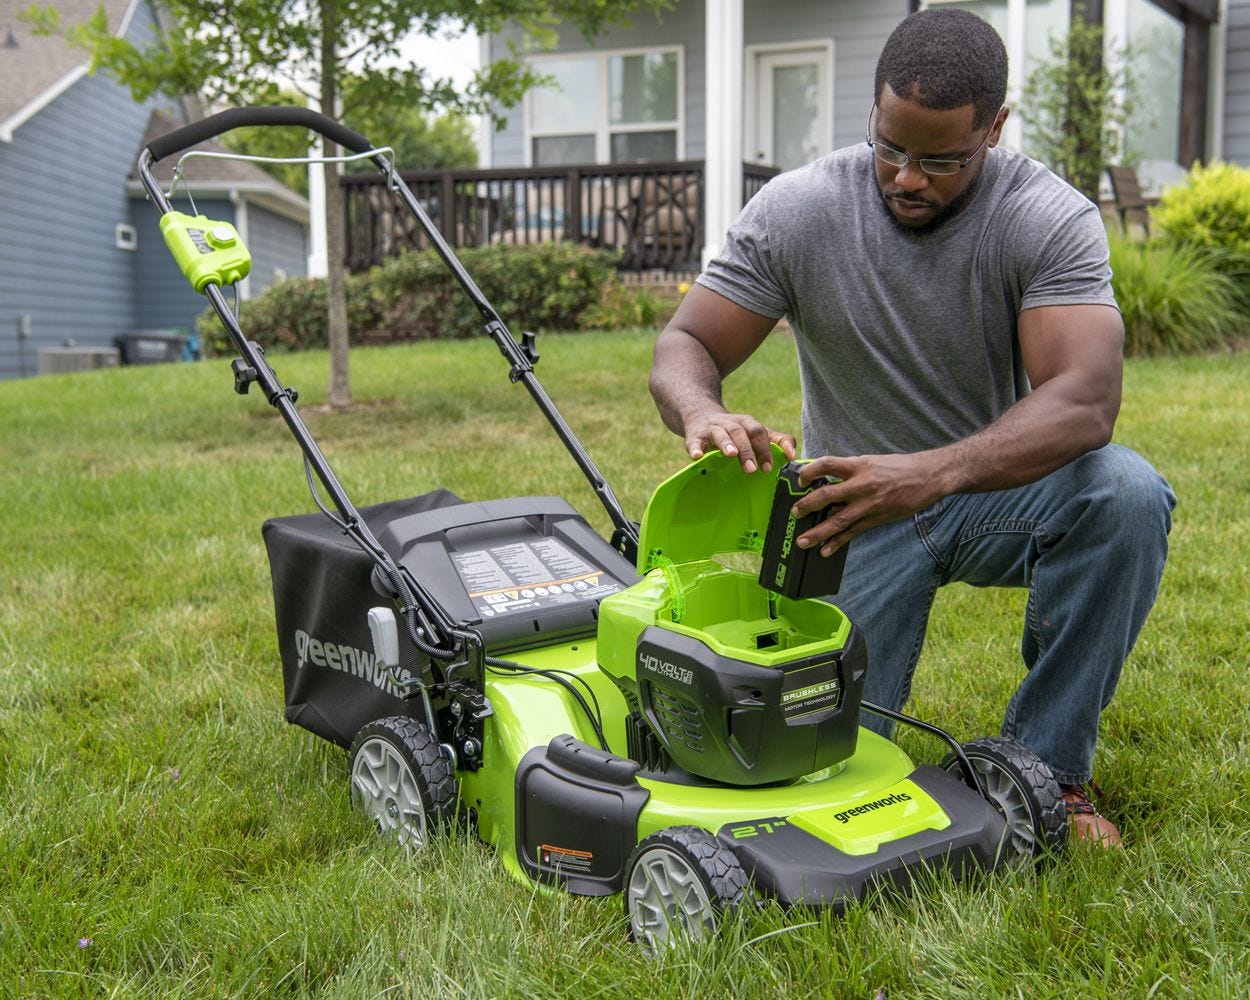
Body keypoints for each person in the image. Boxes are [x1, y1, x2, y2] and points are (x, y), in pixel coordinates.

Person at [648, 7, 1176, 847]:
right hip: (853, 511)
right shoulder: (801, 209)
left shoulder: (1047, 217)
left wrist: (929, 475)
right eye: (891, 147)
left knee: (1125, 494)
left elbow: (1085, 400)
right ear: (873, 108)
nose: (906, 178)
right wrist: (703, 409)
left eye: (941, 161)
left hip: (990, 492)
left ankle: (1045, 771)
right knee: (818, 771)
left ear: (994, 129)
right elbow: (686, 343)